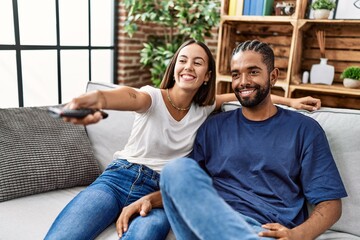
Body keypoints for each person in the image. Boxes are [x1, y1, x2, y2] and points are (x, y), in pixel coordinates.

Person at [45, 39, 321, 240]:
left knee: (145, 236)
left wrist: (291, 101)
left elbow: (248, 93)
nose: (189, 67)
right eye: (183, 60)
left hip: (162, 193)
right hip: (118, 178)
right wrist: (97, 99)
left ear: (206, 76)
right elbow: (127, 96)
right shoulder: (151, 97)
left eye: (198, 62)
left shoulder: (205, 108)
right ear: (175, 67)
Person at [159, 40, 347, 240]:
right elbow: (188, 186)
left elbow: (331, 205)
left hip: (262, 230)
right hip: (213, 222)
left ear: (273, 76)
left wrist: (297, 235)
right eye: (235, 74)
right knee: (176, 170)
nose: (243, 81)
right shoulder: (213, 127)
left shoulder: (304, 130)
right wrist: (146, 200)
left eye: (253, 72)